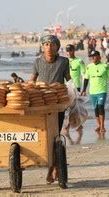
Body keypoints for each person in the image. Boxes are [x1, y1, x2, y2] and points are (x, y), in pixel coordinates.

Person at [30, 34, 70, 184]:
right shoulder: (37, 62)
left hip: (58, 105)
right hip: (41, 105)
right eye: (46, 44)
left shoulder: (63, 62)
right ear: (42, 47)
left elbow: (69, 79)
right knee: (42, 136)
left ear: (57, 47)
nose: (49, 47)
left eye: (52, 45)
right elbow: (32, 81)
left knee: (55, 136)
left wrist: (75, 94)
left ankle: (53, 168)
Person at [81, 50, 109, 133]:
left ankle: (102, 126)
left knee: (100, 107)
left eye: (94, 56)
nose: (92, 57)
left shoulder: (105, 66)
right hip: (92, 91)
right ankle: (99, 125)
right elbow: (86, 79)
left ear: (99, 57)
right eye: (91, 56)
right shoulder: (89, 67)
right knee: (95, 109)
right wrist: (84, 90)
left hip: (102, 91)